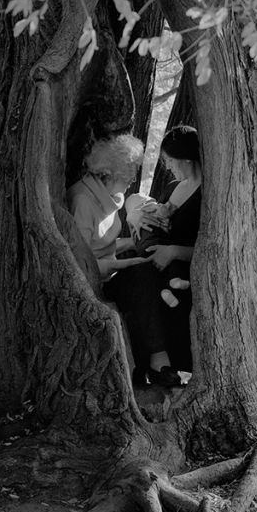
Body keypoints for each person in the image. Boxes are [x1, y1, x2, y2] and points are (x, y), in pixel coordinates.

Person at [103, 125, 202, 388]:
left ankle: (158, 363)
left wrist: (173, 251)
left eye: (170, 160)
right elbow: (154, 219)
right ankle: (154, 365)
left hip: (181, 269)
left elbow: (215, 249)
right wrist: (138, 219)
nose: (167, 166)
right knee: (128, 281)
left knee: (140, 280)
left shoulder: (207, 195)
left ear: (186, 159)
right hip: (153, 259)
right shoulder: (172, 187)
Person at [66, 134, 149, 278]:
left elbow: (101, 247)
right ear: (111, 175)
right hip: (92, 282)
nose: (134, 180)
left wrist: (134, 242)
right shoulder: (82, 201)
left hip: (109, 275)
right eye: (130, 175)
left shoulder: (109, 195)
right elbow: (81, 262)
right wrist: (125, 264)